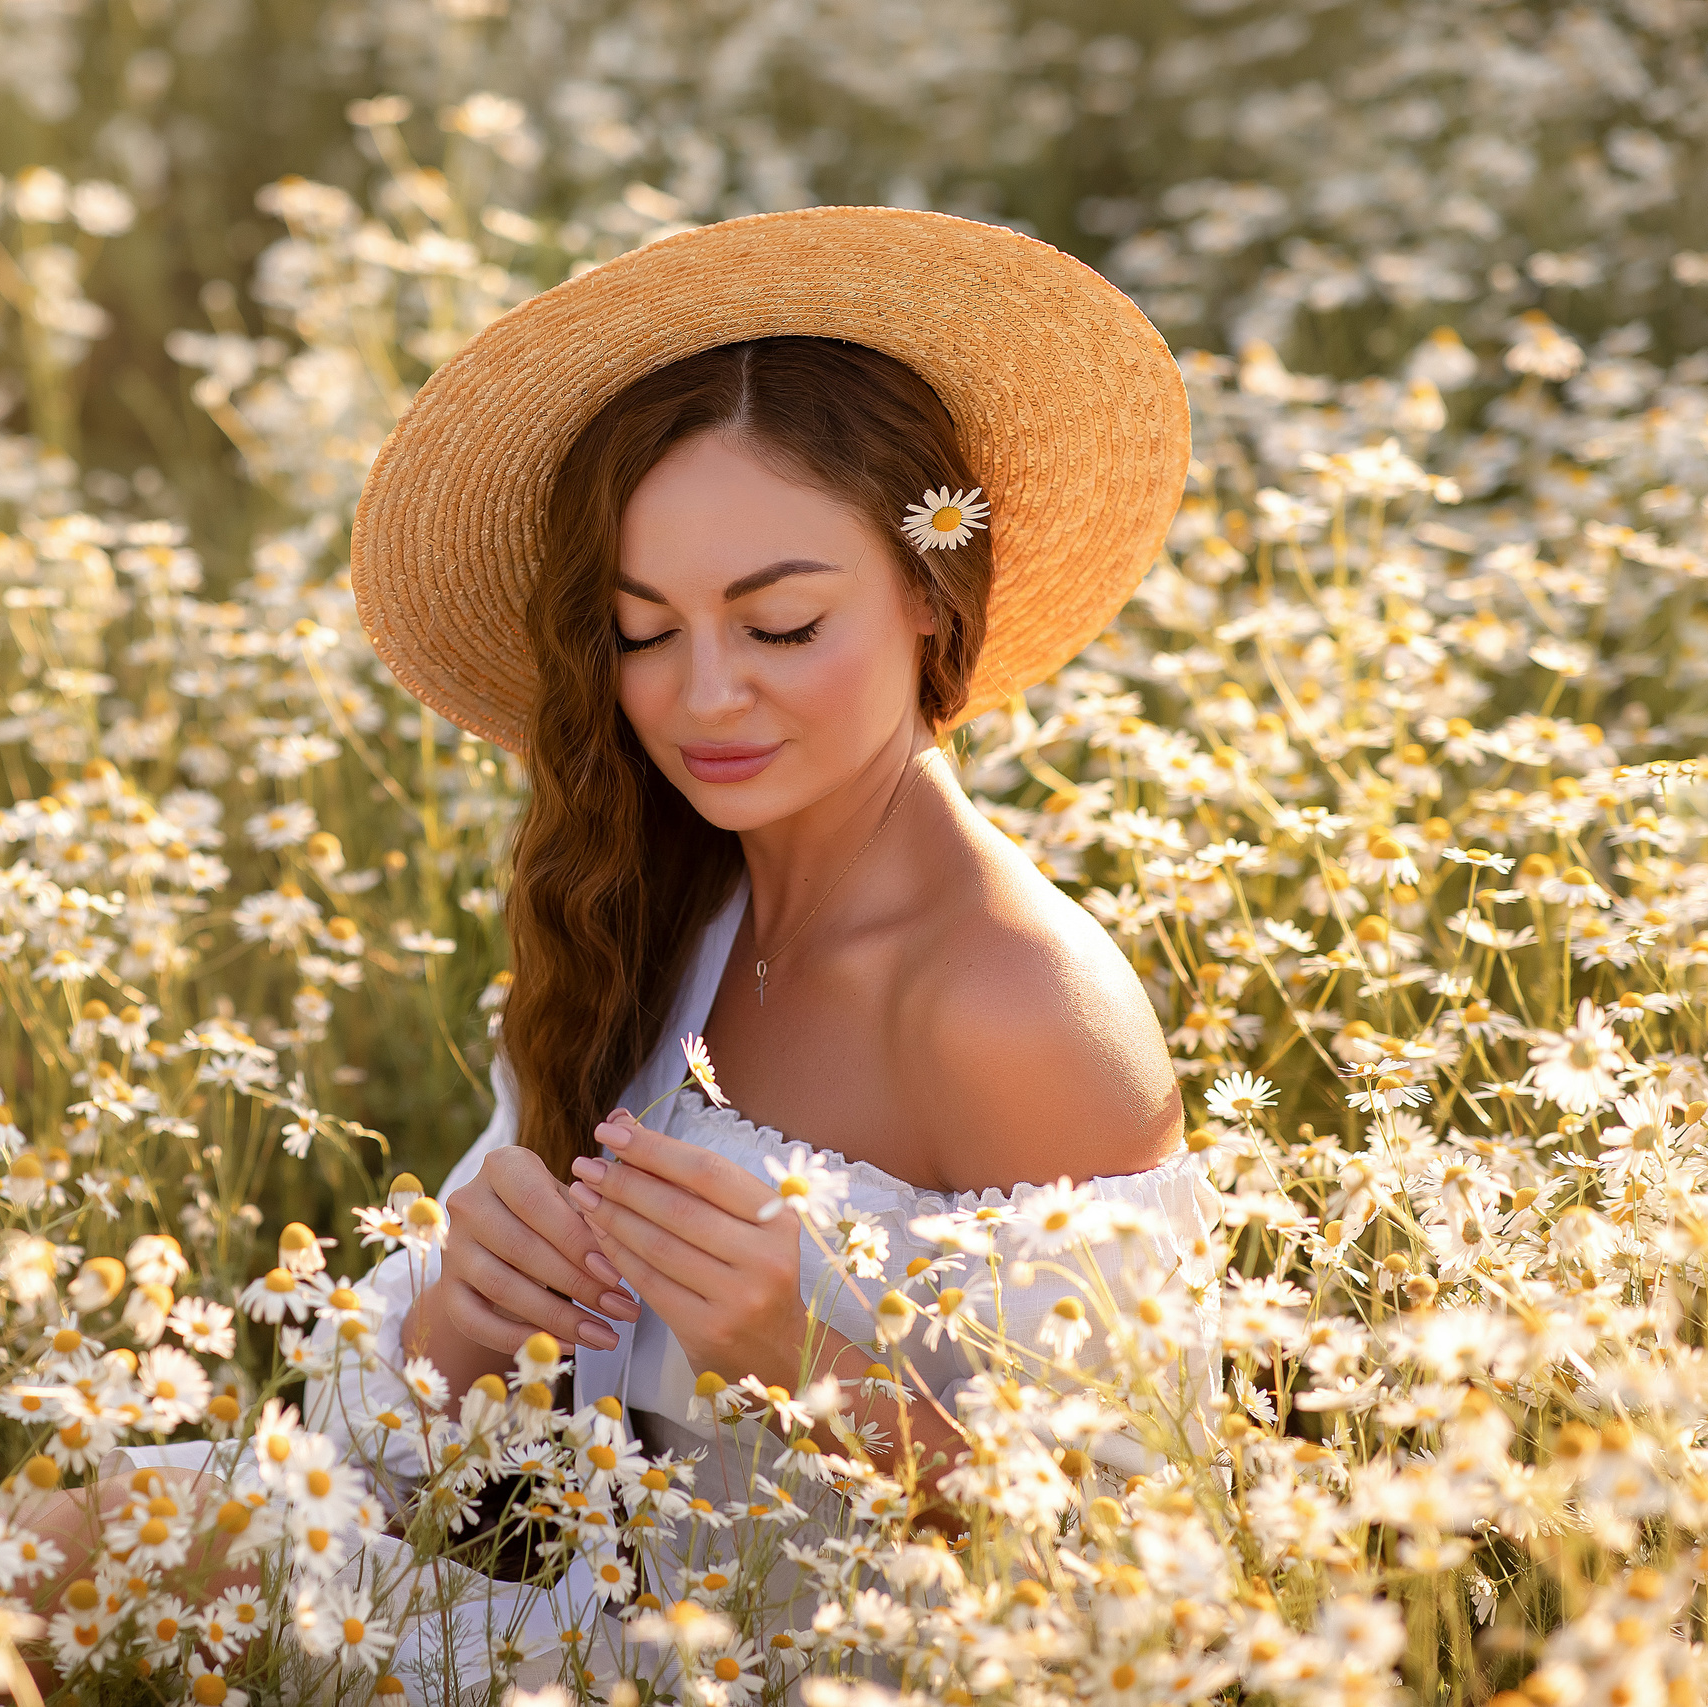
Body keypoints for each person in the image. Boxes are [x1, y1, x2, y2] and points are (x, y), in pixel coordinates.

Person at [108, 205, 1219, 1702]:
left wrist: (804, 1371)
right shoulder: (663, 914)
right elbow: (422, 1459)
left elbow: (1156, 1579)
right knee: (6, 1565)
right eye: (642, 633)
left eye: (781, 624)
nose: (705, 697)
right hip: (564, 1625)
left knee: (64, 1561)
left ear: (928, 592)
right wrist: (462, 1319)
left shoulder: (1016, 1006)